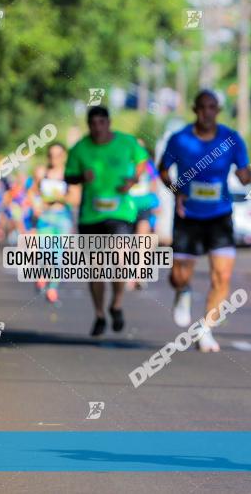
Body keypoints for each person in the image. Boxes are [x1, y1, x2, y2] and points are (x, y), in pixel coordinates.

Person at [158, 90, 251, 352]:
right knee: (179, 276)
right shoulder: (180, 140)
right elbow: (162, 169)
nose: (207, 112)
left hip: (220, 215)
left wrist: (248, 175)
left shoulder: (231, 139)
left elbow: (245, 171)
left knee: (222, 275)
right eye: (202, 107)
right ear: (194, 109)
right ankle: (183, 291)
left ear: (217, 111)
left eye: (212, 108)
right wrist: (175, 190)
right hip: (188, 215)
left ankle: (206, 330)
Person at [65, 106, 148, 336]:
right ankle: (100, 314)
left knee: (120, 258)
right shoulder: (80, 149)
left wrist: (134, 179)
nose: (98, 127)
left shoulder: (126, 142)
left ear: (109, 123)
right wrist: (82, 177)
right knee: (96, 269)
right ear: (89, 125)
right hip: (90, 215)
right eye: (93, 123)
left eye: (102, 122)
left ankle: (117, 304)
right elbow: (68, 177)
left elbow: (142, 159)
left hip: (119, 212)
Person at [30, 143, 77, 303]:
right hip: (46, 216)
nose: (54, 159)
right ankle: (43, 273)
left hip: (62, 217)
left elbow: (75, 198)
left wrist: (60, 197)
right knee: (45, 251)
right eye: (51, 155)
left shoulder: (69, 174)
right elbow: (32, 192)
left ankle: (53, 287)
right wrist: (36, 205)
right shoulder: (41, 173)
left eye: (57, 155)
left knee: (59, 255)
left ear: (63, 156)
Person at [128, 140, 161, 290]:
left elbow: (154, 185)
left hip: (145, 206)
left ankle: (139, 273)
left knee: (142, 239)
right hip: (127, 207)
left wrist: (157, 204)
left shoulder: (149, 166)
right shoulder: (125, 163)